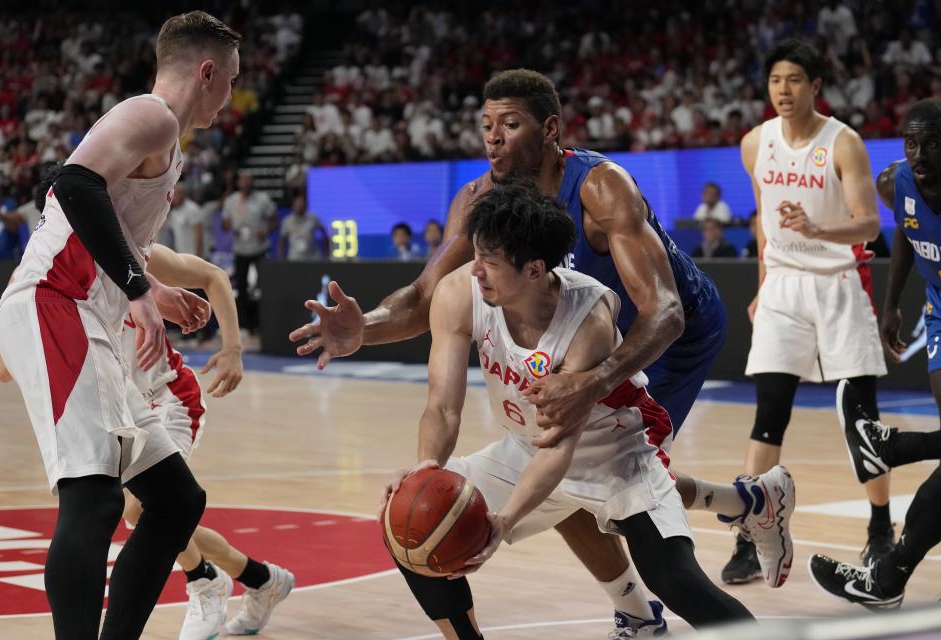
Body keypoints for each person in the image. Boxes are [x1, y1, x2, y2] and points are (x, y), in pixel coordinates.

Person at [290, 69, 794, 636]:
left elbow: (666, 313)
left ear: (550, 129)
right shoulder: (483, 207)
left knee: (613, 465)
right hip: (583, 351)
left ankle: (680, 570)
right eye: (485, 125)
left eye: (510, 123)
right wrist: (366, 329)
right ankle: (734, 515)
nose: (493, 138)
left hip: (668, 334)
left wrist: (597, 379)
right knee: (572, 467)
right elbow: (428, 298)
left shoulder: (601, 189)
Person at [381, 183, 753, 639]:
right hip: (524, 448)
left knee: (676, 580)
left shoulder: (587, 319)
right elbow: (441, 407)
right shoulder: (460, 292)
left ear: (535, 269)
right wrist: (428, 469)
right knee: (412, 525)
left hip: (616, 453)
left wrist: (505, 521)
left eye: (491, 263)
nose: (476, 271)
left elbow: (559, 450)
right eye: (476, 255)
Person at [0, 10, 238, 639]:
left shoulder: (167, 142)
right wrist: (137, 290)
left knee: (178, 501)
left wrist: (153, 288)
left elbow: (106, 231)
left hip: (82, 308)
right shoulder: (151, 113)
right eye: (230, 81)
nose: (232, 97)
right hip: (55, 301)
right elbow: (74, 185)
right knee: (96, 497)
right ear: (206, 71)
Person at [729, 38, 889, 584]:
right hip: (783, 286)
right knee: (768, 411)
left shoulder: (844, 143)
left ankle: (880, 528)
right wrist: (761, 283)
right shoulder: (755, 143)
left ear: (815, 86)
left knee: (861, 415)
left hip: (838, 281)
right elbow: (761, 219)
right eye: (776, 80)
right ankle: (751, 538)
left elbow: (868, 223)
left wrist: (820, 229)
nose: (783, 90)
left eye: (794, 80)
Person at [809, 99, 941, 608]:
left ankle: (892, 451)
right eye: (911, 142)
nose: (918, 153)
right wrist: (891, 306)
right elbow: (909, 239)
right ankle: (890, 575)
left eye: (932, 143)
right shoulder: (896, 184)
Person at [121, 243, 295, 638]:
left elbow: (214, 276)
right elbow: (4, 370)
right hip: (122, 411)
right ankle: (262, 579)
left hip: (167, 399)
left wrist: (233, 348)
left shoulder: (136, 251)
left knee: (143, 508)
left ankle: (204, 581)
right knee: (160, 519)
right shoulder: (49, 275)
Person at [221, 170, 276, 334]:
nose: (245, 183)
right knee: (241, 288)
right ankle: (244, 325)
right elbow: (224, 224)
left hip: (259, 249)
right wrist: (230, 225)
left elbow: (274, 221)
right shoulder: (231, 201)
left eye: (248, 180)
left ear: (252, 182)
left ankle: (262, 324)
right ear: (238, 183)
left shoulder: (262, 199)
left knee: (263, 286)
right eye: (242, 180)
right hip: (240, 249)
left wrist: (265, 231)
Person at [278, 193, 328, 261]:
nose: (299, 207)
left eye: (301, 205)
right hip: (294, 258)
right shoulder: (287, 221)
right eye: (297, 205)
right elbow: (282, 240)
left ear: (305, 206)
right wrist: (281, 257)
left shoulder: (313, 218)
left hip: (312, 258)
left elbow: (324, 233)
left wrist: (326, 253)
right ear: (293, 206)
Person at [167, 182, 205, 257]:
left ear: (183, 194)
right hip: (180, 255)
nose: (173, 197)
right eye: (173, 195)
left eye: (176, 194)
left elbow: (198, 235)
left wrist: (197, 255)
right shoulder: (174, 212)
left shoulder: (192, 209)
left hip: (193, 255)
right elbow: (174, 234)